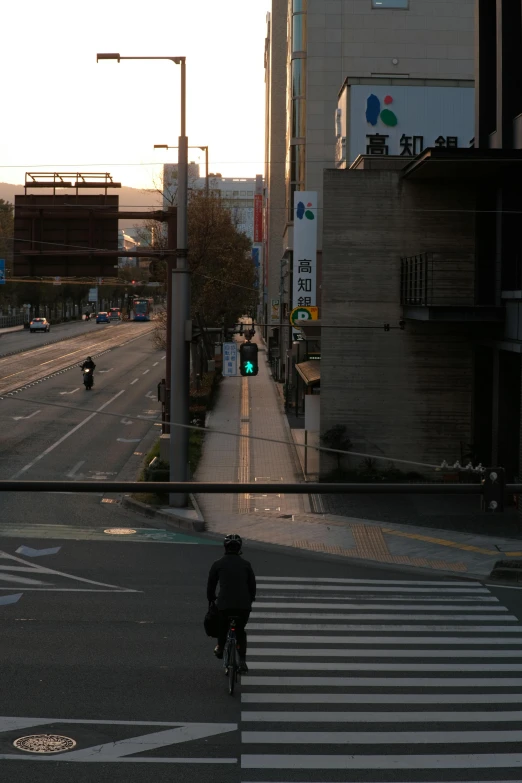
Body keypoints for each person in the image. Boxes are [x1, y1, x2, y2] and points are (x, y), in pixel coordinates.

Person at [207, 534, 256, 673]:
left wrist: (211, 599)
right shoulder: (246, 565)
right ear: (239, 547)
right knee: (240, 631)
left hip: (224, 604)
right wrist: (250, 599)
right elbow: (252, 586)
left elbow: (211, 585)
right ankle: (242, 661)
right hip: (243, 606)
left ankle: (220, 647)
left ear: (225, 547)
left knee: (223, 626)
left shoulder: (218, 564)